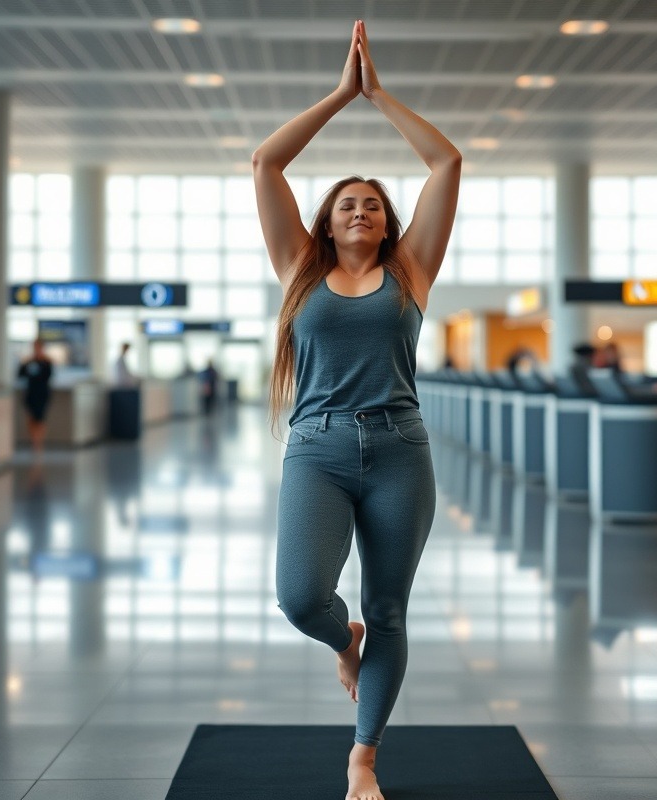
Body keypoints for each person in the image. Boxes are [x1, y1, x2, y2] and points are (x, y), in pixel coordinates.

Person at [253, 20, 461, 800]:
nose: (361, 210)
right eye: (347, 202)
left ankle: (363, 760)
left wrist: (384, 96)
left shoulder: (412, 270)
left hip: (401, 450)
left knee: (391, 605)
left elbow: (446, 162)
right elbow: (266, 161)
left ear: (388, 220)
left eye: (373, 203)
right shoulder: (295, 270)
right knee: (301, 595)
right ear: (326, 219)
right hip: (317, 448)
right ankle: (346, 642)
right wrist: (343, 96)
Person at [17, 338, 53, 457]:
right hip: (31, 393)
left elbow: (48, 377)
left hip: (42, 393)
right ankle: (34, 441)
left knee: (40, 418)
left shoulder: (47, 362)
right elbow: (20, 374)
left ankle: (39, 442)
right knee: (31, 417)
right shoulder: (29, 362)